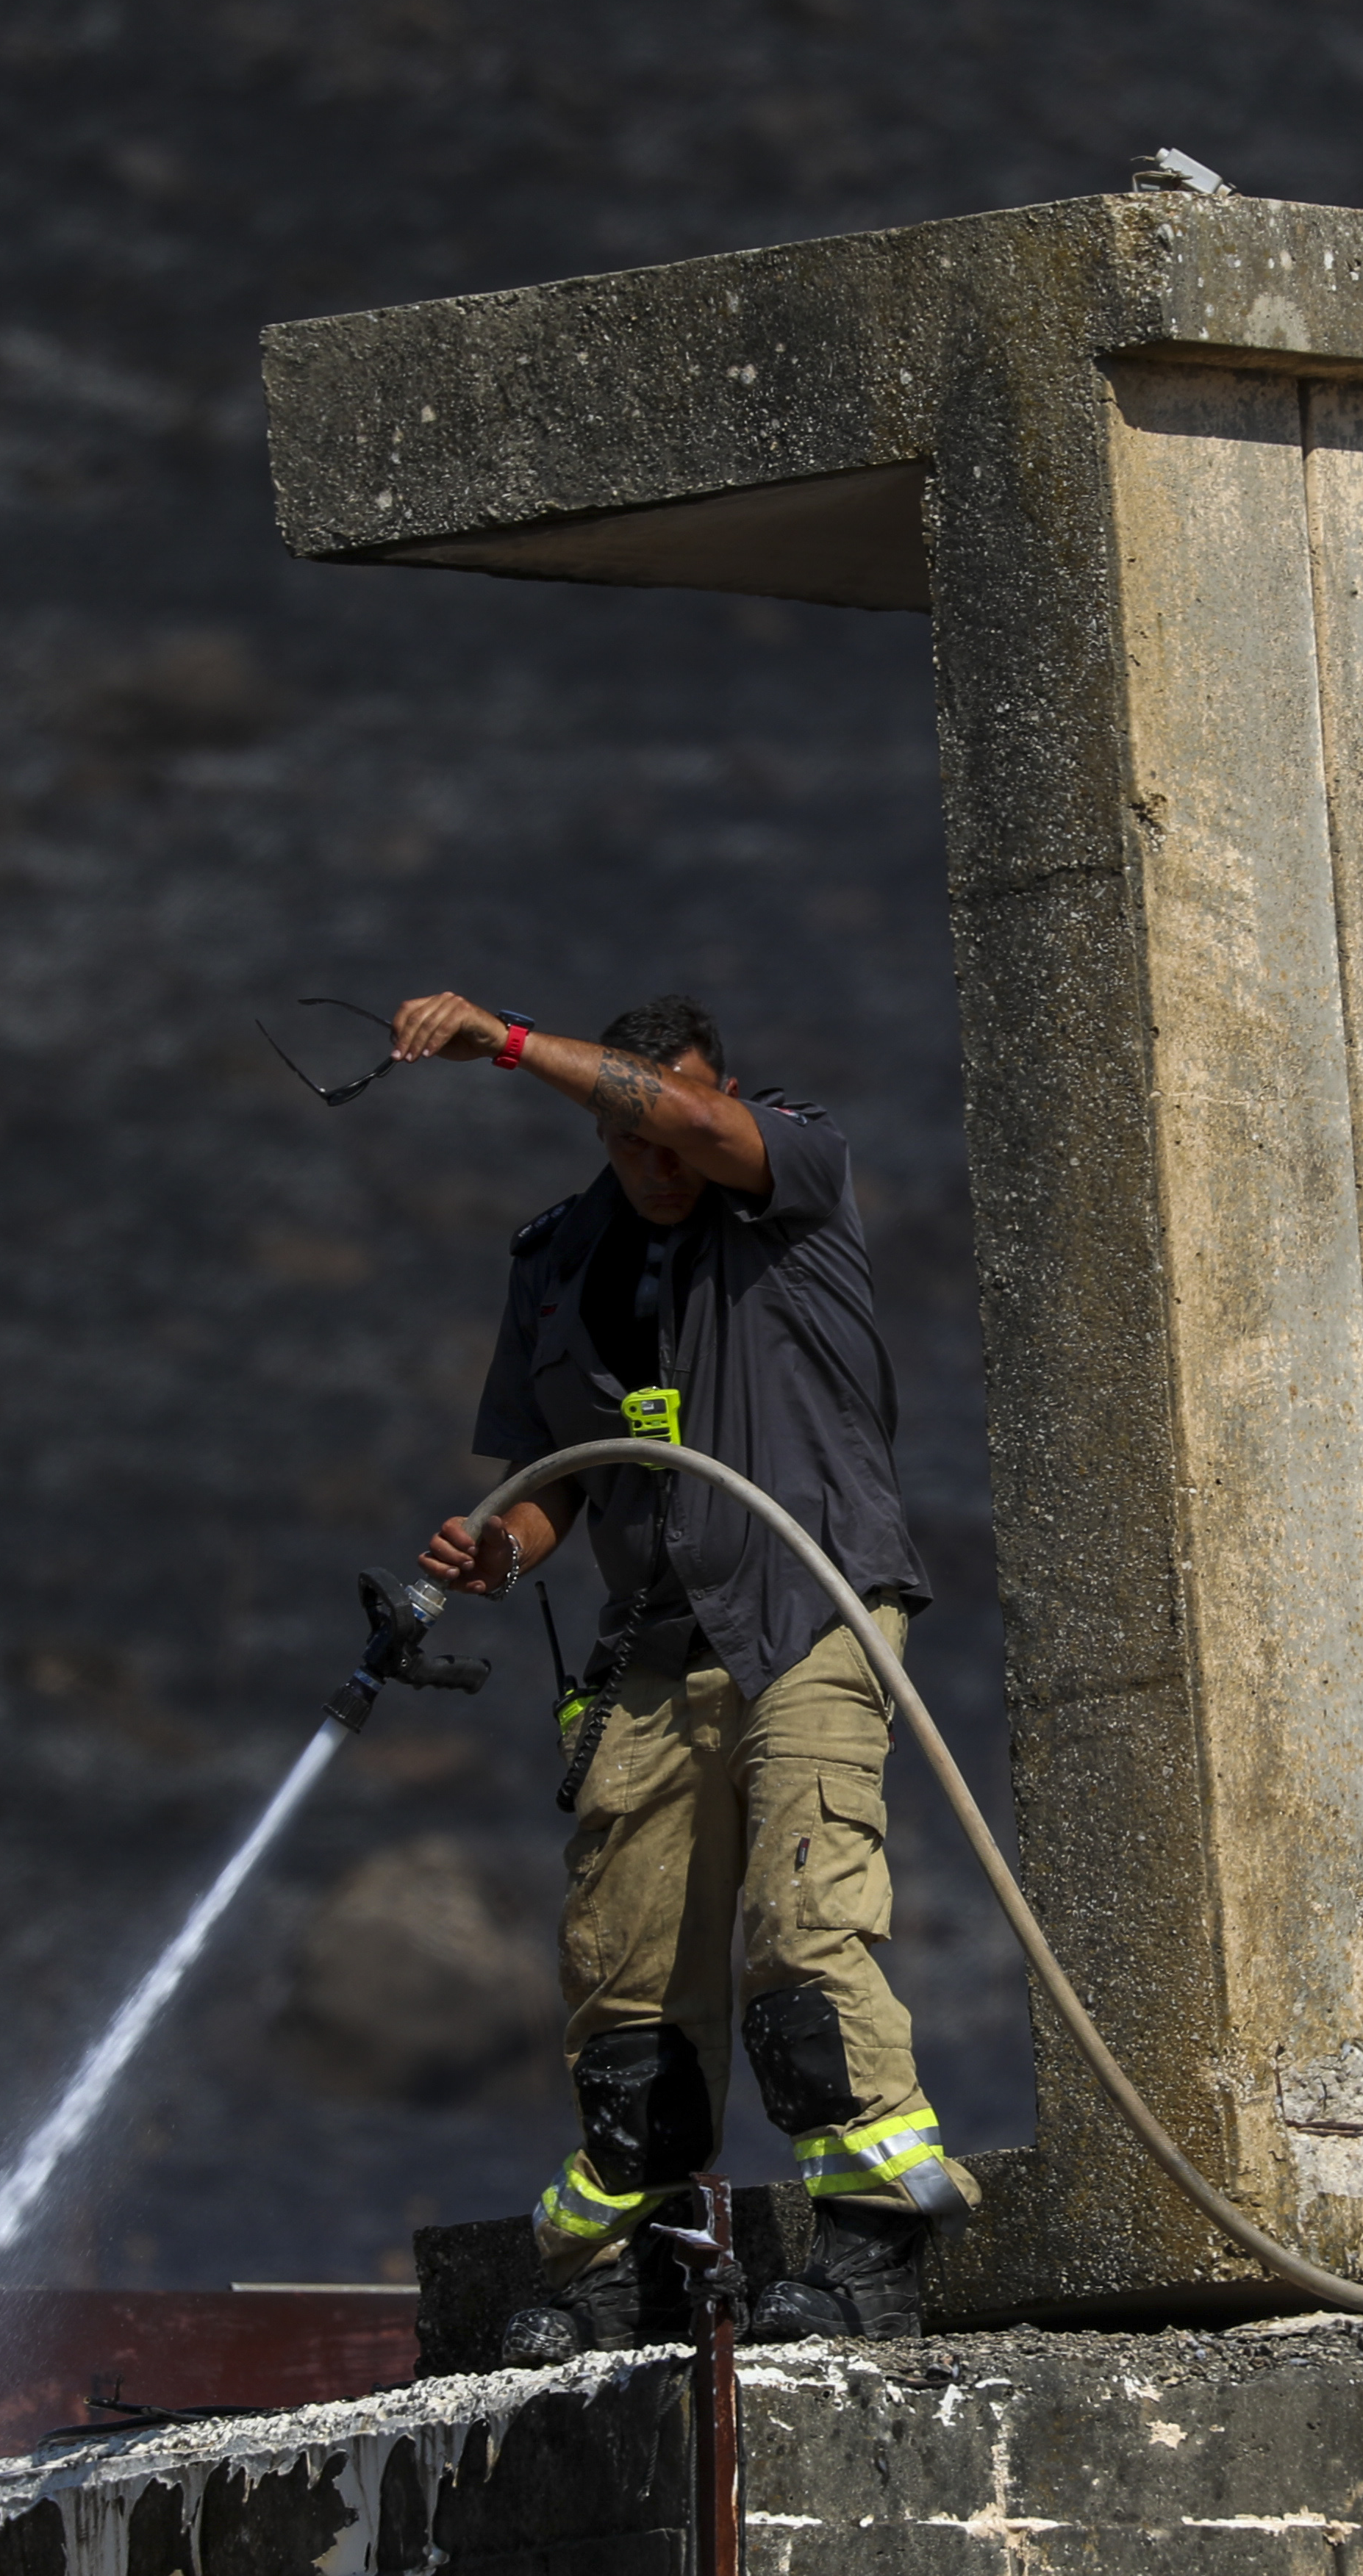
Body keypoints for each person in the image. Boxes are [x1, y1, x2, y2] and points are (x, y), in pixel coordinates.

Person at [391, 986, 976, 2364]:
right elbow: (558, 1486)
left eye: (669, 1126)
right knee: (626, 1963)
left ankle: (871, 2243)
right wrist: (501, 1549)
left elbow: (701, 1124)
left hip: (808, 1604)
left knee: (803, 1913)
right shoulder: (555, 1258)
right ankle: (629, 2261)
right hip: (654, 1650)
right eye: (630, 1134)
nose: (659, 1159)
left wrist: (514, 1046)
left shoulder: (790, 1170)